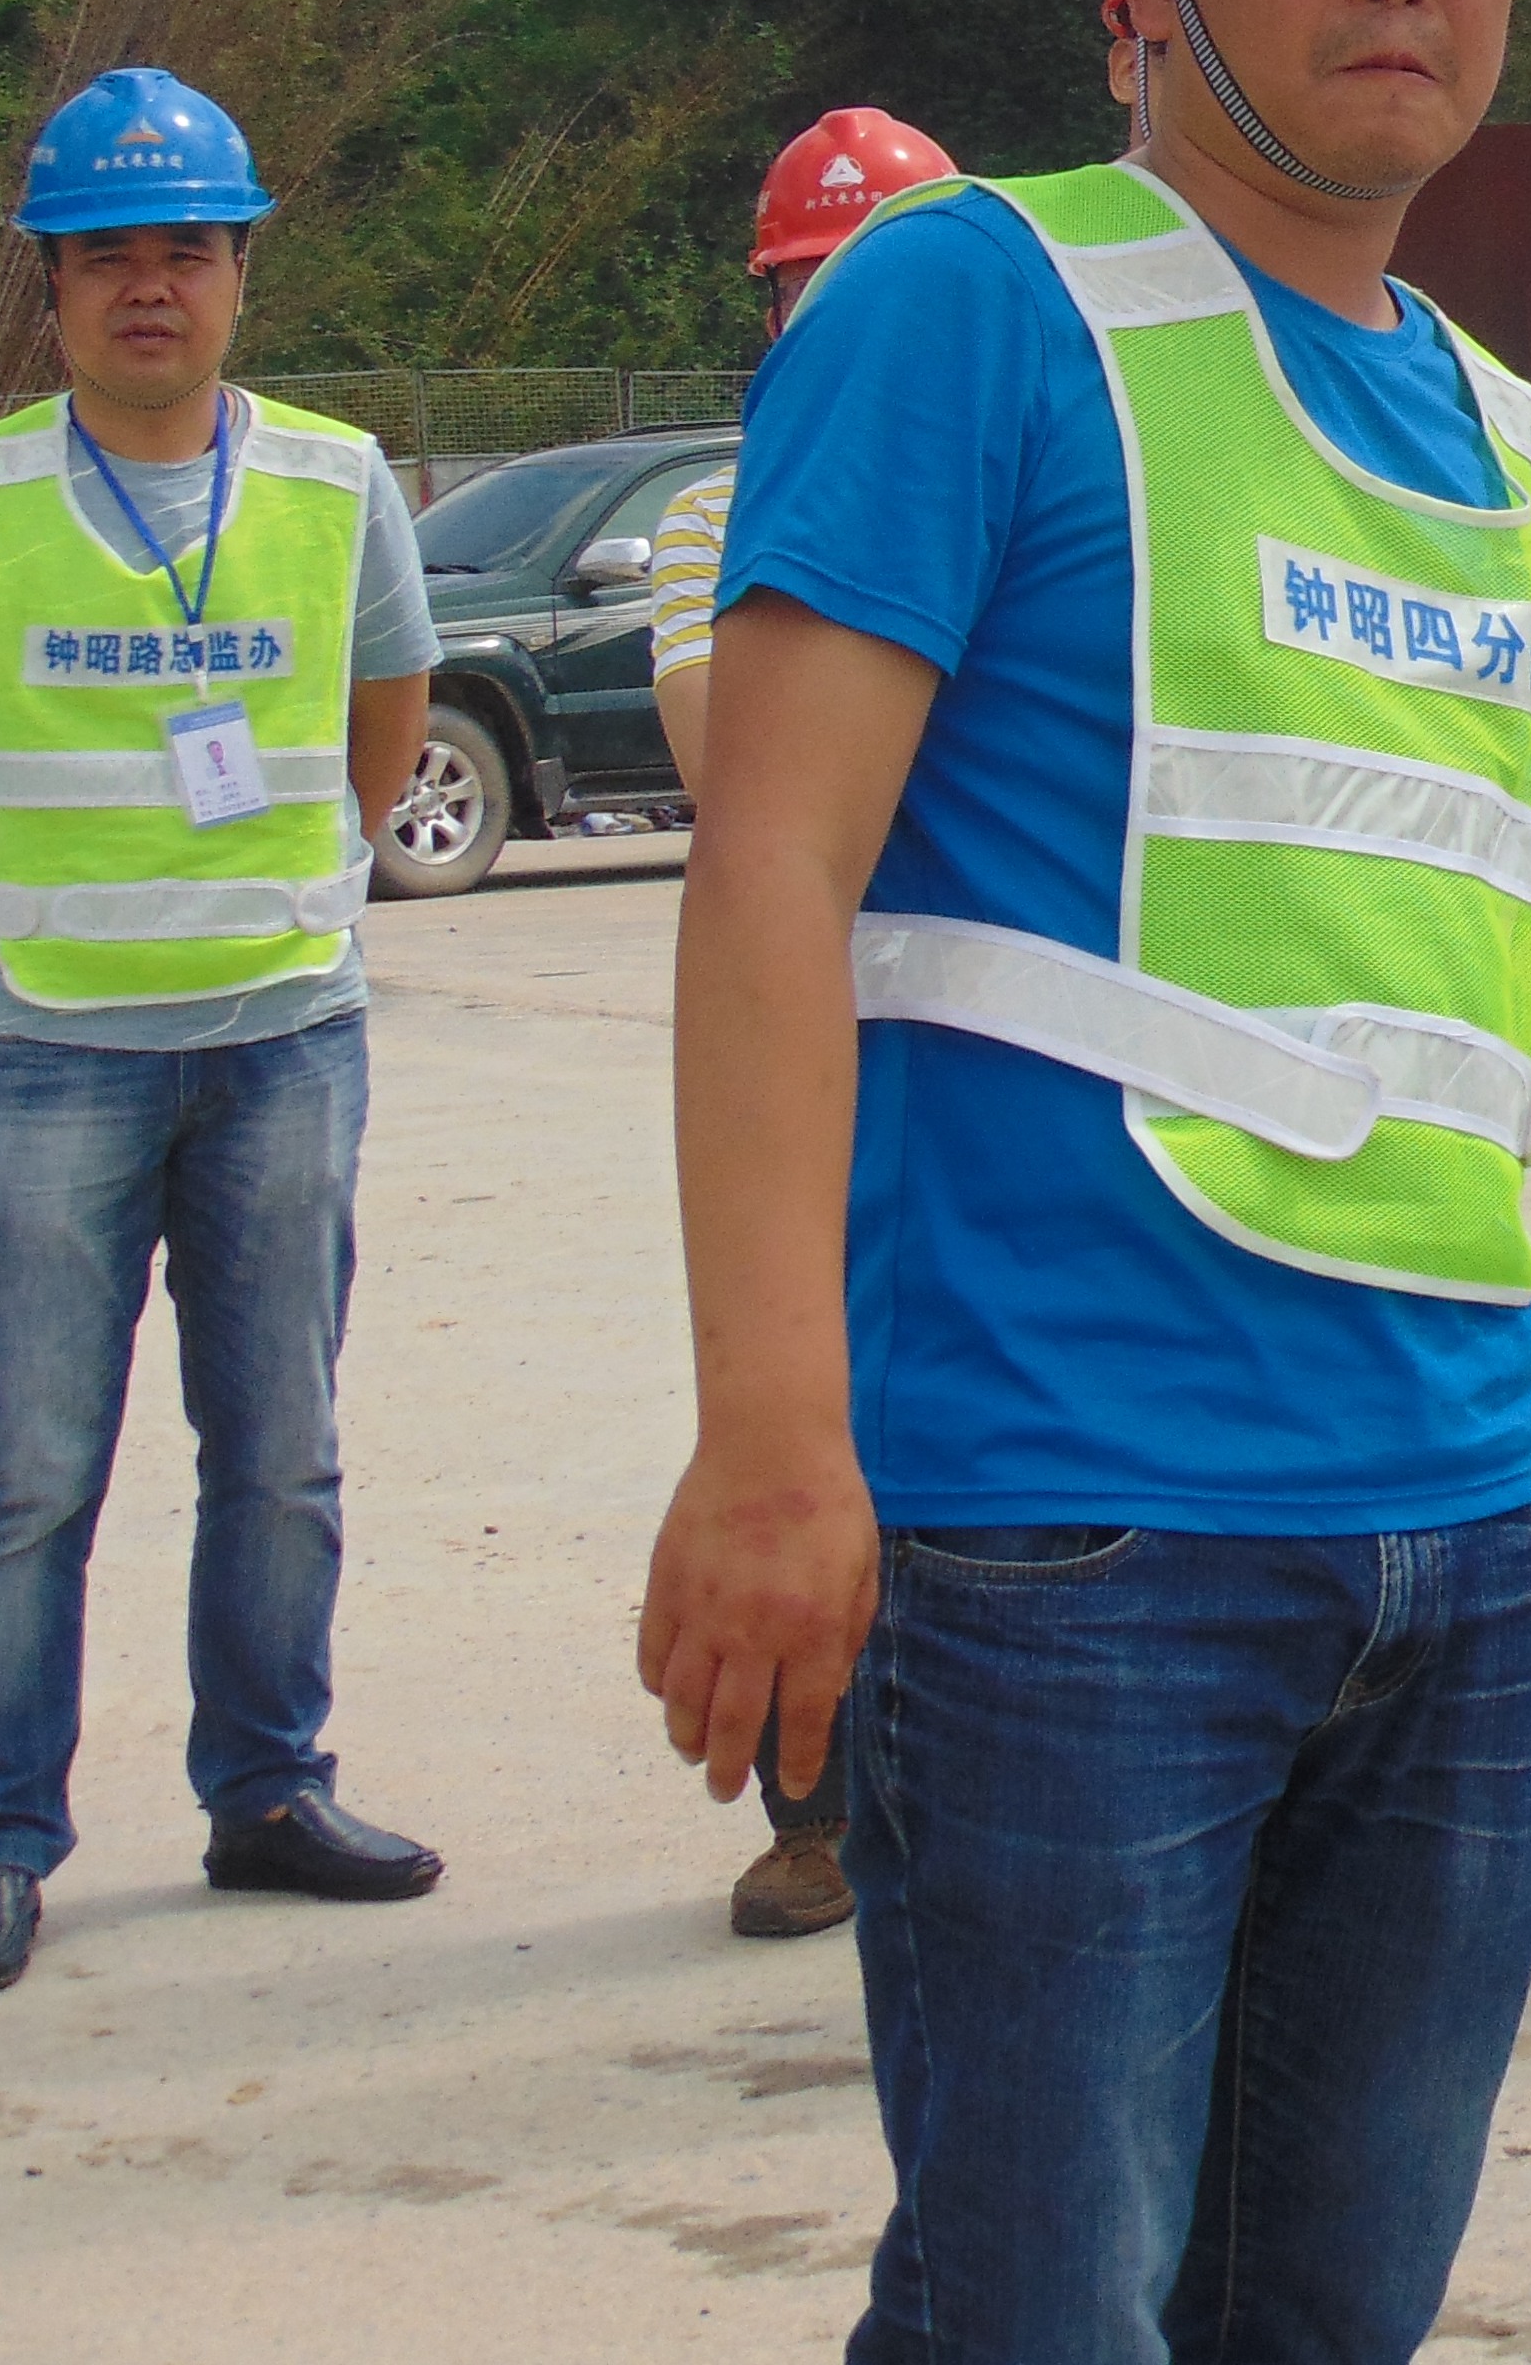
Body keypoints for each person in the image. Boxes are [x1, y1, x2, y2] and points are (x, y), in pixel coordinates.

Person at [634, 0, 1531, 2363]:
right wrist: (773, 1443)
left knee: (1325, 2319)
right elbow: (770, 873)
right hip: (1075, 1544)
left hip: (1466, 1527)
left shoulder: (1509, 432)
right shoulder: (972, 304)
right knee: (1038, 2319)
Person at [0, 66, 442, 2002]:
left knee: (280, 1454)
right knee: (27, 1469)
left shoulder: (337, 483)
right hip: (46, 1046)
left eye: (186, 249)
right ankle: (2, 1830)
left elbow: (390, 702)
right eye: (107, 258)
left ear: (242, 271)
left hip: (282, 1041)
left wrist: (307, 886)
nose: (149, 286)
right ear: (54, 289)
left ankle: (267, 1786)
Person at [643, 102, 954, 1946]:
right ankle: (814, 1808)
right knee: (793, 1420)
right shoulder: (714, 513)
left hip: (988, 1046)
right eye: (810, 286)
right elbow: (734, 776)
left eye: (877, 276)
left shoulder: (1015, 470)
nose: (846, 314)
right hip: (809, 1047)